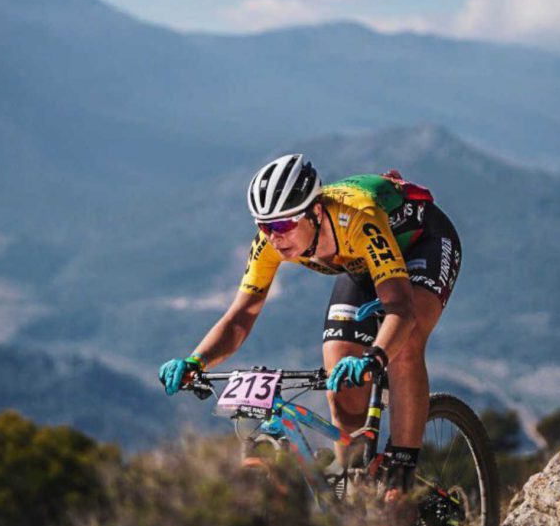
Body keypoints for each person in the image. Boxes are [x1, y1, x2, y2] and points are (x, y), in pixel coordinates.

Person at [158, 153, 461, 499]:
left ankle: (401, 478)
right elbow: (239, 317)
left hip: (422, 244)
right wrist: (196, 361)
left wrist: (375, 357)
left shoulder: (358, 219)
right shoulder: (270, 242)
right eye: (264, 226)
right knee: (340, 379)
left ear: (315, 212)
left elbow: (401, 310)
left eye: (284, 225)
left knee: (404, 344)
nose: (274, 237)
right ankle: (356, 489)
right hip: (363, 264)